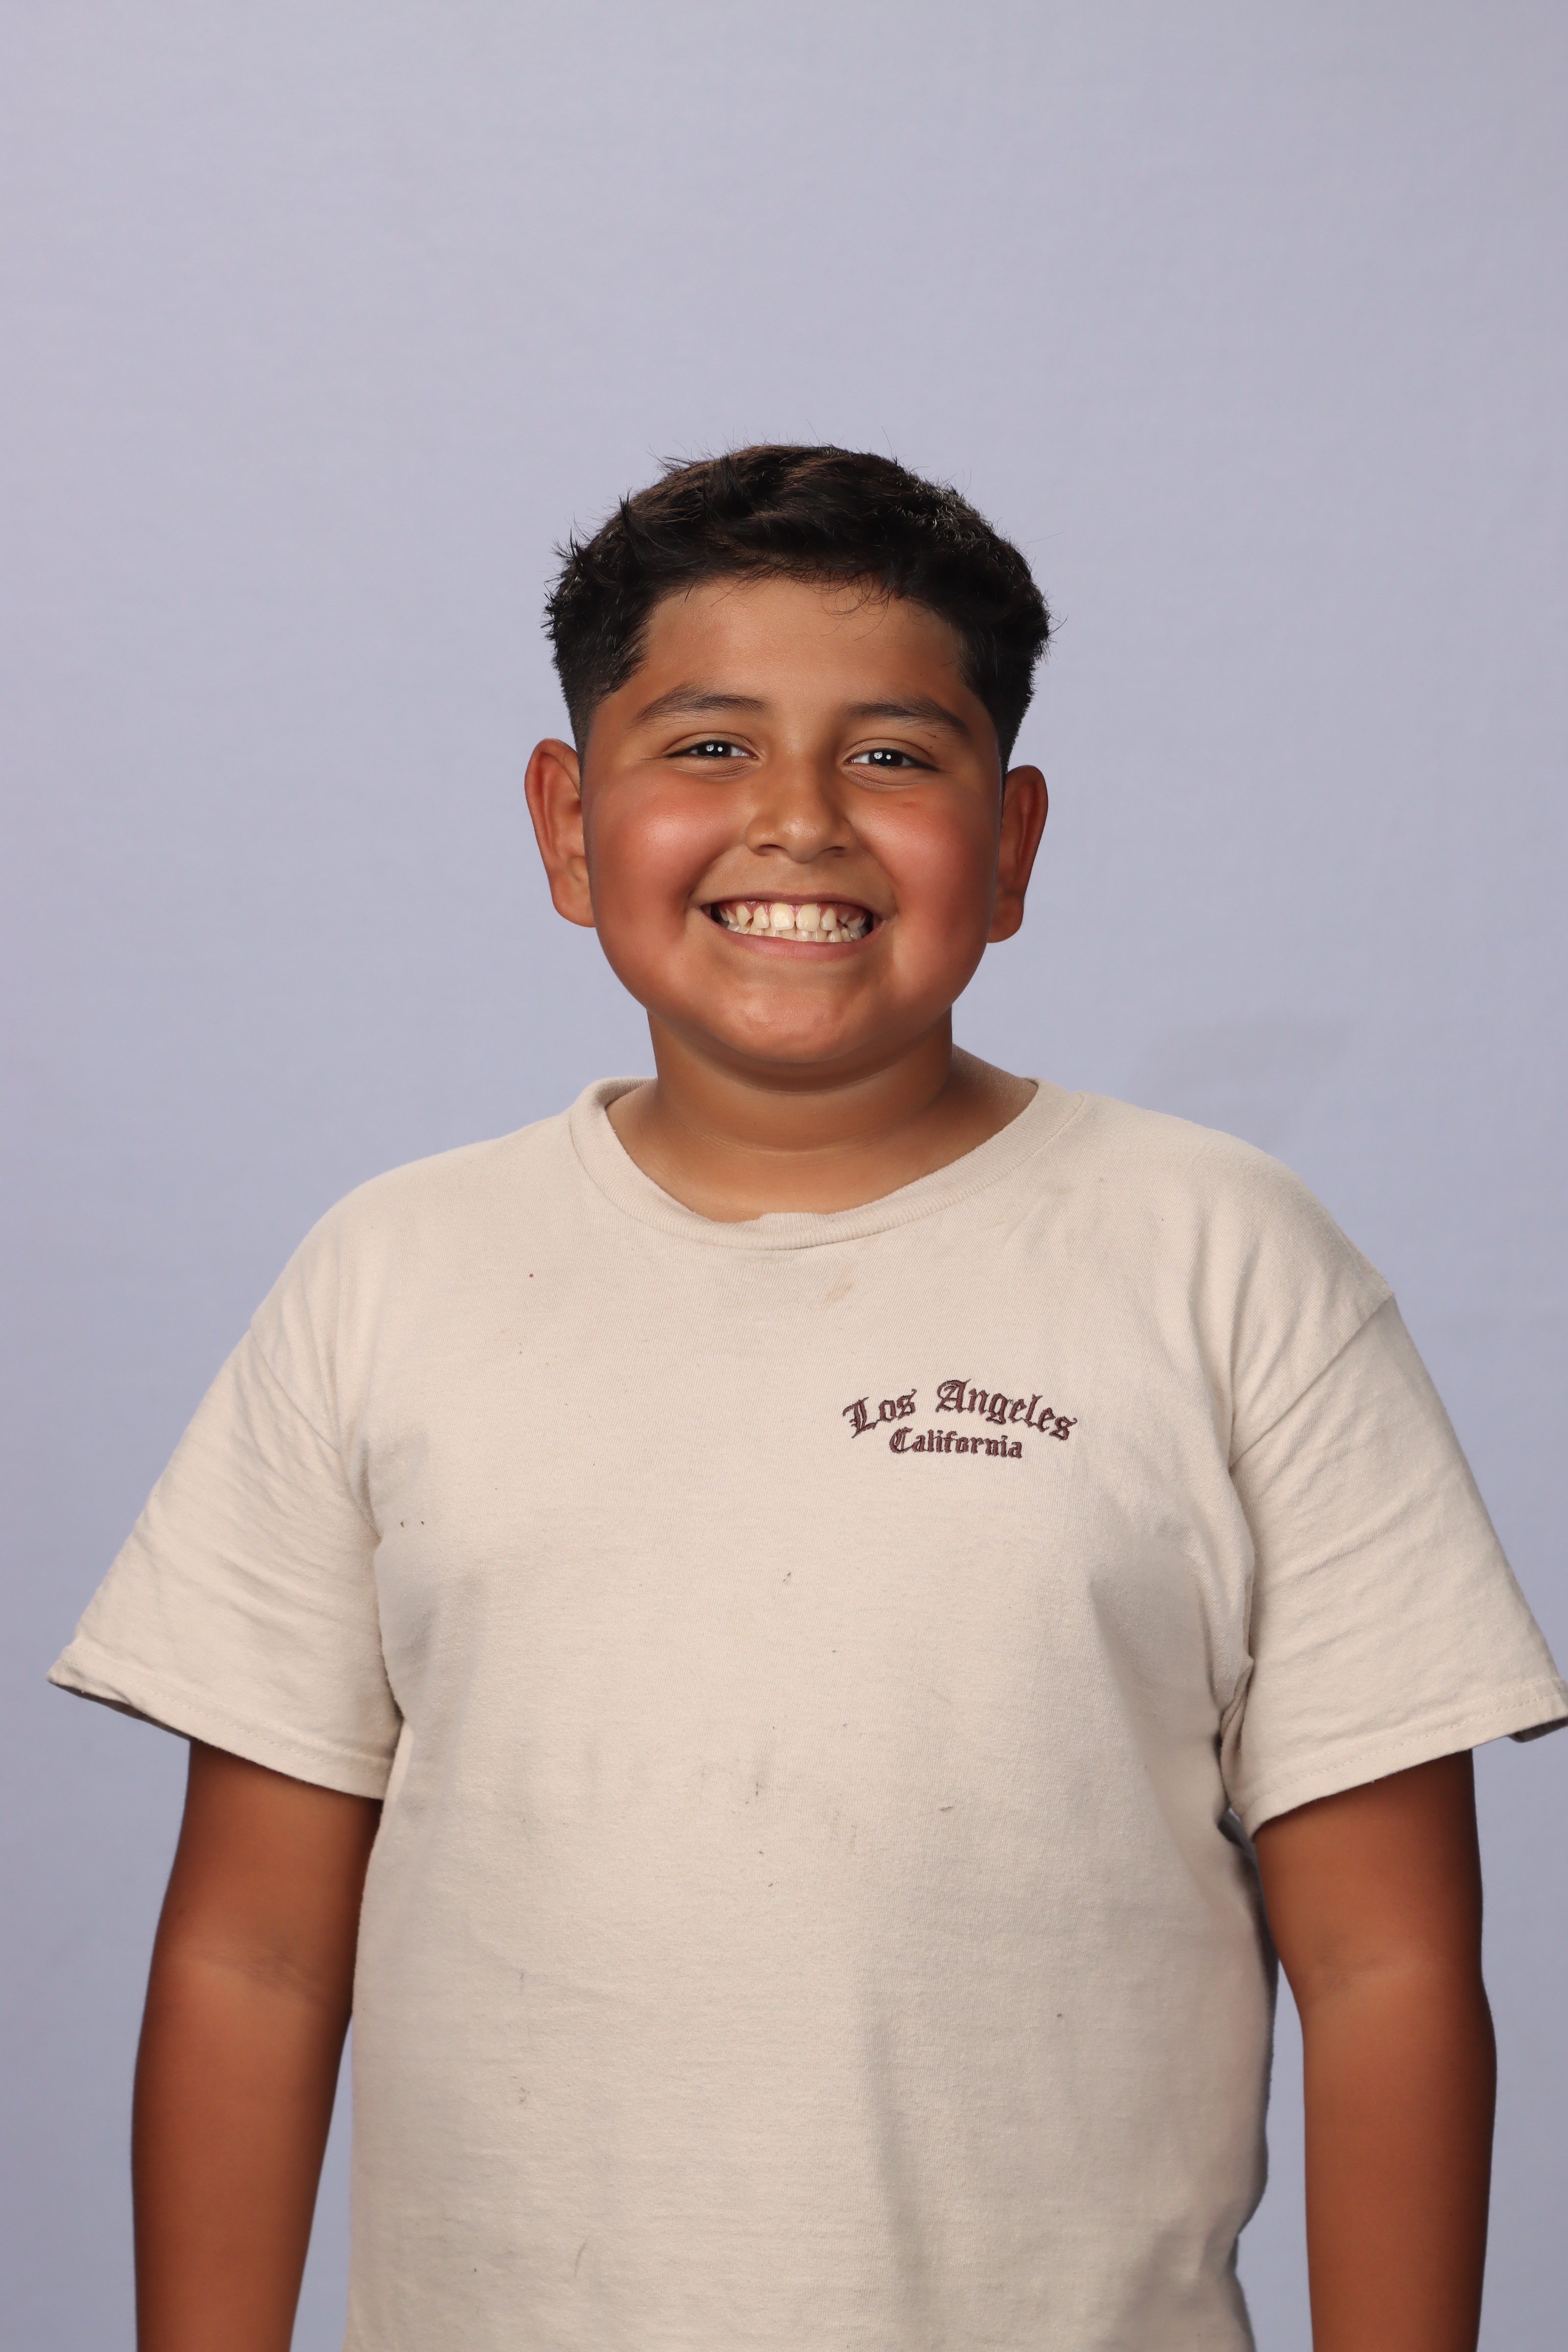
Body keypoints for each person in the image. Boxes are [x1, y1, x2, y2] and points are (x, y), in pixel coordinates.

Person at [52, 445, 1565, 2352]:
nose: (797, 822)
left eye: (892, 756)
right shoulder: (389, 1278)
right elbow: (258, 1957)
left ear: (1009, 844)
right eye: (707, 747)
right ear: (568, 824)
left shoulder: (1228, 1266)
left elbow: (1386, 1965)